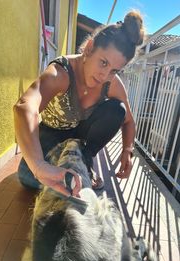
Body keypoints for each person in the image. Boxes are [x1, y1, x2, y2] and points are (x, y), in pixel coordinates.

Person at [13, 11, 145, 196]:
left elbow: (128, 120)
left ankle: (84, 162)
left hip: (80, 136)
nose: (104, 76)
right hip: (51, 132)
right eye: (103, 62)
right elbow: (24, 107)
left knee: (117, 110)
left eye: (114, 70)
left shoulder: (111, 83)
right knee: (27, 177)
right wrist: (38, 166)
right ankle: (60, 171)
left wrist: (127, 150)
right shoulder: (61, 72)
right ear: (90, 48)